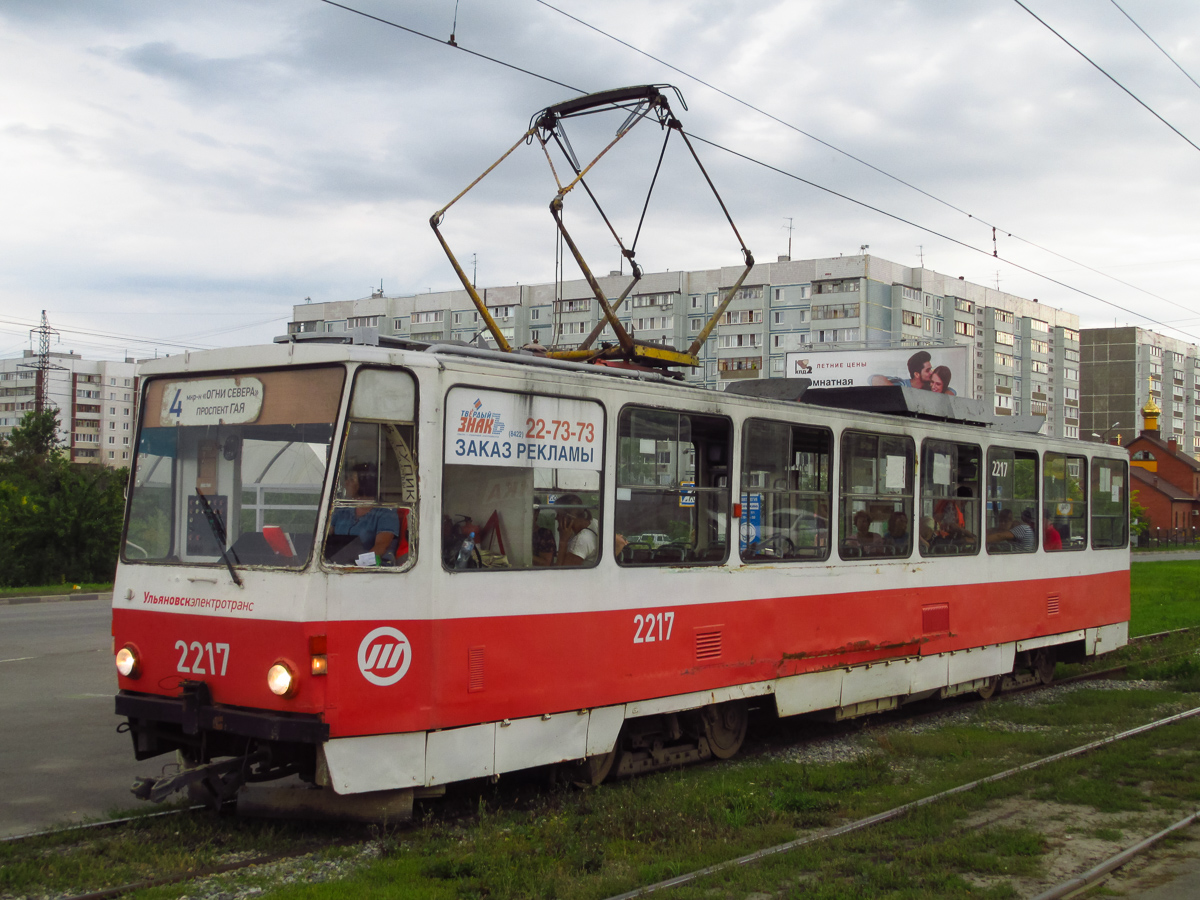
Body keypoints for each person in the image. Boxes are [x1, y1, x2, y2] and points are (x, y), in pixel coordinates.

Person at [328, 462, 399, 564]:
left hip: (367, 571)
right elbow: (326, 536)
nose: (346, 483)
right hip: (335, 567)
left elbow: (381, 547)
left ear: (364, 483)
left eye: (351, 479)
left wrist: (356, 566)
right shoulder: (342, 509)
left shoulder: (386, 513)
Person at [553, 493, 597, 566]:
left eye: (558, 514)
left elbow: (562, 573)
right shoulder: (594, 523)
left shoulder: (580, 540)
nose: (556, 518)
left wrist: (563, 541)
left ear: (568, 517)